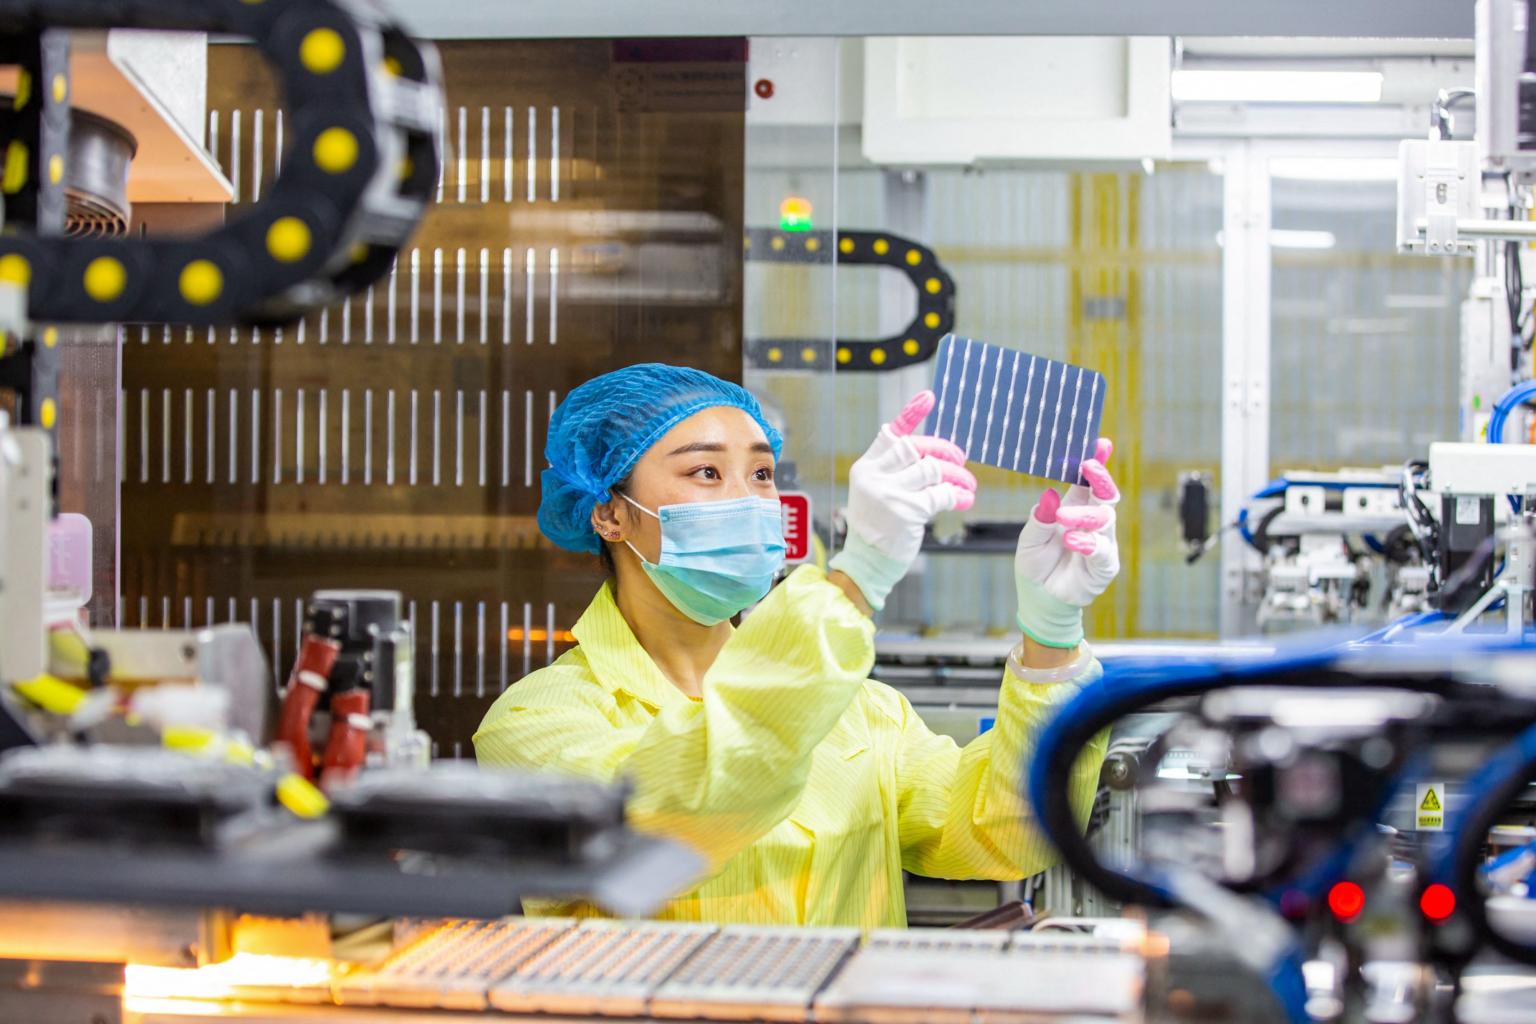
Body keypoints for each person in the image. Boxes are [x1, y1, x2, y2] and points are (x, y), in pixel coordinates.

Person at [475, 363, 1117, 928]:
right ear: (610, 513)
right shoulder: (536, 723)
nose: (747, 498)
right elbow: (690, 807)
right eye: (705, 471)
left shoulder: (859, 711)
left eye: (761, 473)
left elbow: (1004, 832)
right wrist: (854, 579)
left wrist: (1051, 633)